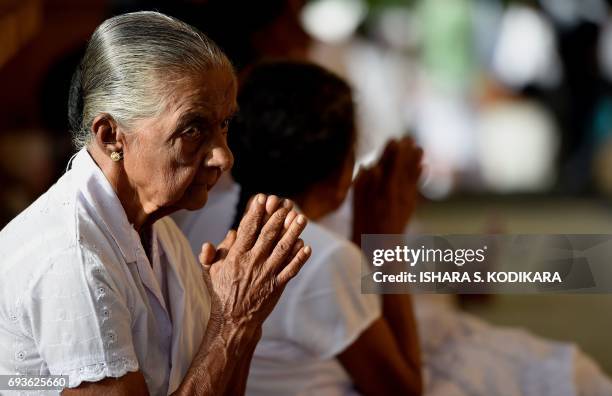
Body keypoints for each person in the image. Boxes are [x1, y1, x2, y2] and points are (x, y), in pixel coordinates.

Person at [182, 60, 612, 396]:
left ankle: (478, 267)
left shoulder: (195, 215)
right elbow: (404, 388)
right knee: (561, 373)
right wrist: (383, 237)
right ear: (340, 175)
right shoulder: (318, 253)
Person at [0, 12, 312, 395]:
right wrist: (232, 320)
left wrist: (239, 322)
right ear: (112, 135)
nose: (223, 157)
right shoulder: (73, 259)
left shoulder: (157, 228)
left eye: (225, 124)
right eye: (194, 129)